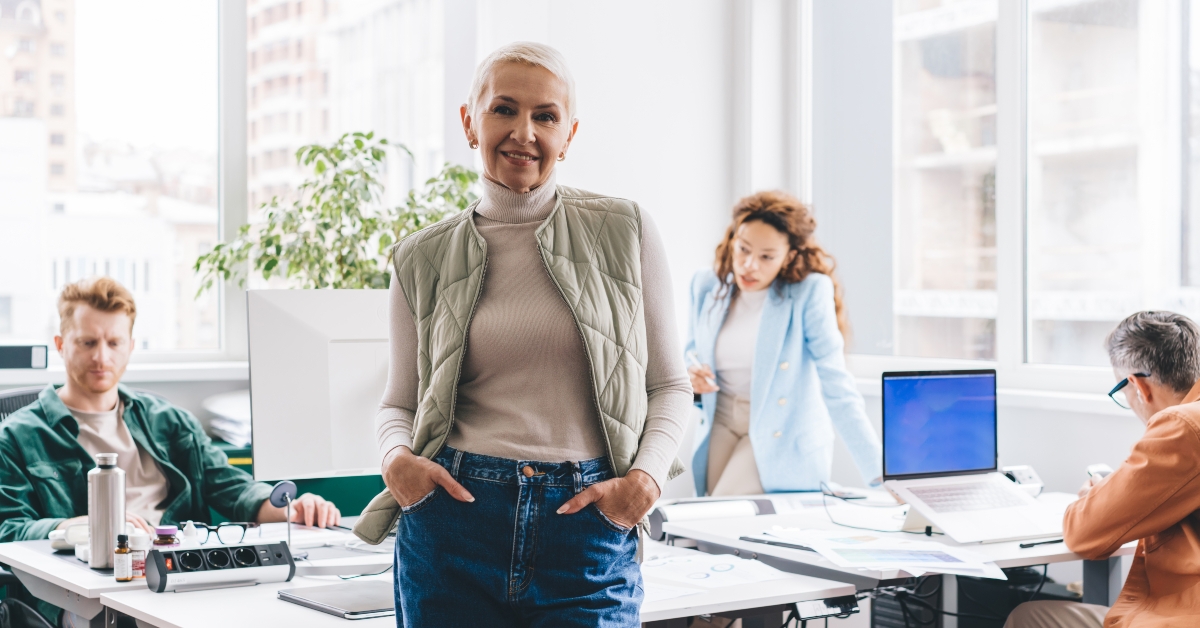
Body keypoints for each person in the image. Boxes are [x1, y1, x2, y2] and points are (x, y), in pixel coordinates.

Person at [356, 42, 691, 627]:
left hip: (585, 528)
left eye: (545, 116)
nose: (523, 133)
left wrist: (644, 482)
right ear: (469, 121)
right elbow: (398, 403)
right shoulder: (421, 256)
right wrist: (396, 464)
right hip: (452, 526)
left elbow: (669, 384)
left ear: (570, 133)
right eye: (503, 110)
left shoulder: (624, 229)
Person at [0, 278, 341, 622]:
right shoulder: (17, 436)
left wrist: (290, 508)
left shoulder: (170, 420)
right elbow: (8, 529)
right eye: (87, 342)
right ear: (60, 344)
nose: (101, 356)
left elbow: (230, 487)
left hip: (180, 578)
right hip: (86, 594)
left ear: (131, 346)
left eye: (114, 342)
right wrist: (79, 526)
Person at [1006, 311, 1200, 628]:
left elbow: (1084, 535)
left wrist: (1094, 498)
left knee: (1029, 617)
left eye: (1121, 392)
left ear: (1139, 387)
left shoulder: (1182, 427)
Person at [684, 191, 881, 496]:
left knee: (724, 509)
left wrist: (880, 474)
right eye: (743, 249)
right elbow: (692, 352)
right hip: (720, 420)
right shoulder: (706, 285)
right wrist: (691, 375)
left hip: (781, 432)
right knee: (707, 527)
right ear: (733, 240)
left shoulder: (808, 293)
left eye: (766, 257)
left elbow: (837, 384)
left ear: (788, 256)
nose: (749, 265)